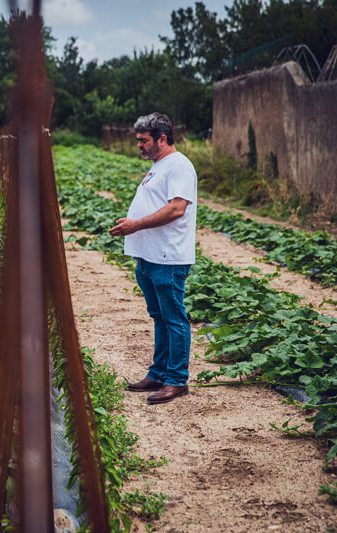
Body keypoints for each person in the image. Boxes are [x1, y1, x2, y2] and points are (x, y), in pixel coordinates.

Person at [108, 112, 197, 404]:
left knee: (174, 318)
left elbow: (176, 209)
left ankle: (176, 380)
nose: (139, 146)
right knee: (159, 317)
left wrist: (136, 224)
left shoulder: (179, 166)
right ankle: (158, 373)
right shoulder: (159, 166)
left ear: (162, 138)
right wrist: (132, 220)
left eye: (143, 141)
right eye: (138, 141)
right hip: (149, 257)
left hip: (167, 257)